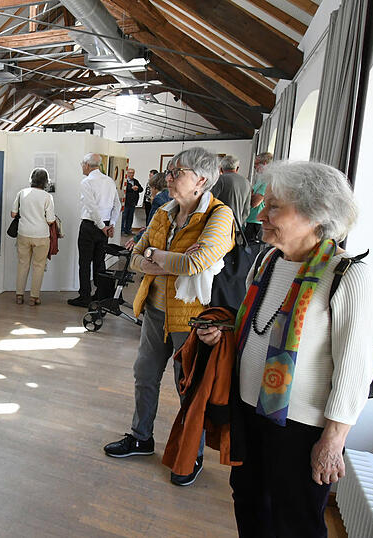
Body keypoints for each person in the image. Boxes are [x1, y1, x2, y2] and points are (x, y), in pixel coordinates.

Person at [195, 161, 373, 537]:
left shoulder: (348, 275)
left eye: (274, 207)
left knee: (294, 520)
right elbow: (257, 325)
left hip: (302, 429)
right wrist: (224, 331)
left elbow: (356, 369)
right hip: (250, 412)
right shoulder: (268, 261)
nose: (260, 214)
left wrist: (333, 440)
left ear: (316, 213)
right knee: (249, 503)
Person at [103, 147, 234, 488]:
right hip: (154, 310)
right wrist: (158, 256)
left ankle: (192, 453)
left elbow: (197, 263)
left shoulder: (220, 217)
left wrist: (154, 256)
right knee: (144, 375)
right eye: (171, 171)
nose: (170, 177)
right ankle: (141, 437)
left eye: (178, 172)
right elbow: (133, 256)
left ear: (201, 180)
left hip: (192, 321)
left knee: (188, 389)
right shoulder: (163, 211)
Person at [68, 153, 120, 308]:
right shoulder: (109, 181)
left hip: (91, 226)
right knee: (100, 261)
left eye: (82, 165)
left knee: (84, 263)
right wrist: (111, 224)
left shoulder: (87, 181)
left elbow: (92, 207)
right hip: (104, 226)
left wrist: (103, 226)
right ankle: (101, 295)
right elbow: (117, 205)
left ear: (86, 165)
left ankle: (84, 296)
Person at [11, 168, 56, 306]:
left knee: (22, 264)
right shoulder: (47, 197)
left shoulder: (22, 193)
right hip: (41, 235)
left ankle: (19, 295)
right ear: (46, 182)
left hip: (23, 233)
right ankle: (34, 297)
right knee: (39, 266)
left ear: (31, 179)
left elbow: (13, 214)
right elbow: (50, 220)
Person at [125, 172, 170, 250]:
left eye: (151, 188)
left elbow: (152, 224)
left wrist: (136, 238)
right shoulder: (170, 195)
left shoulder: (158, 198)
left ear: (155, 187)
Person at [212, 155, 251, 227]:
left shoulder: (220, 180)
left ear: (221, 168)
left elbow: (210, 201)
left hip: (220, 225)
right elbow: (246, 210)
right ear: (237, 168)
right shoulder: (246, 182)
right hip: (237, 226)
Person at [245, 152, 273, 241]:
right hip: (251, 219)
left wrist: (250, 195)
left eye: (256, 164)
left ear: (264, 164)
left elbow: (254, 202)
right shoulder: (261, 179)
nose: (254, 167)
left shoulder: (267, 180)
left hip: (256, 222)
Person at [121, 168, 143, 235]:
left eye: (133, 173)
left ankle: (128, 230)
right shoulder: (124, 181)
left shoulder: (135, 181)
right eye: (130, 173)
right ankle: (122, 230)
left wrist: (137, 188)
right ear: (127, 173)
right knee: (124, 217)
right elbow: (123, 189)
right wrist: (131, 188)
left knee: (130, 217)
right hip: (126, 202)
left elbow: (141, 189)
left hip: (133, 203)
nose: (131, 174)